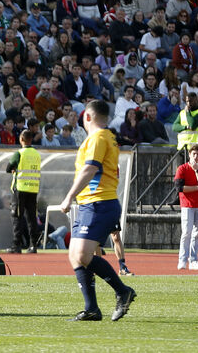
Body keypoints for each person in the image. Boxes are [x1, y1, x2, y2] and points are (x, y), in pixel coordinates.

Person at [59, 100, 136, 322]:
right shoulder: (106, 137)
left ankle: (123, 291)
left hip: (99, 203)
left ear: (88, 117)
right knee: (75, 255)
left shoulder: (99, 137)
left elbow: (91, 168)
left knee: (82, 254)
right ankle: (91, 308)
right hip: (90, 204)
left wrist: (69, 195)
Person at [174, 144, 198, 270]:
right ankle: (182, 260)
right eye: (193, 154)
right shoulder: (182, 168)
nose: (195, 156)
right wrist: (196, 188)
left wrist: (196, 170)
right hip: (187, 205)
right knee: (186, 232)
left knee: (197, 234)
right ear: (189, 154)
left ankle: (194, 260)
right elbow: (179, 188)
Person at [5, 130, 42, 253]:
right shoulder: (37, 154)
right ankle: (33, 245)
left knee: (17, 217)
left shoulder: (19, 153)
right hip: (33, 188)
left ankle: (16, 245)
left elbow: (8, 168)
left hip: (20, 188)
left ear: (21, 139)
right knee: (32, 218)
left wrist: (15, 168)